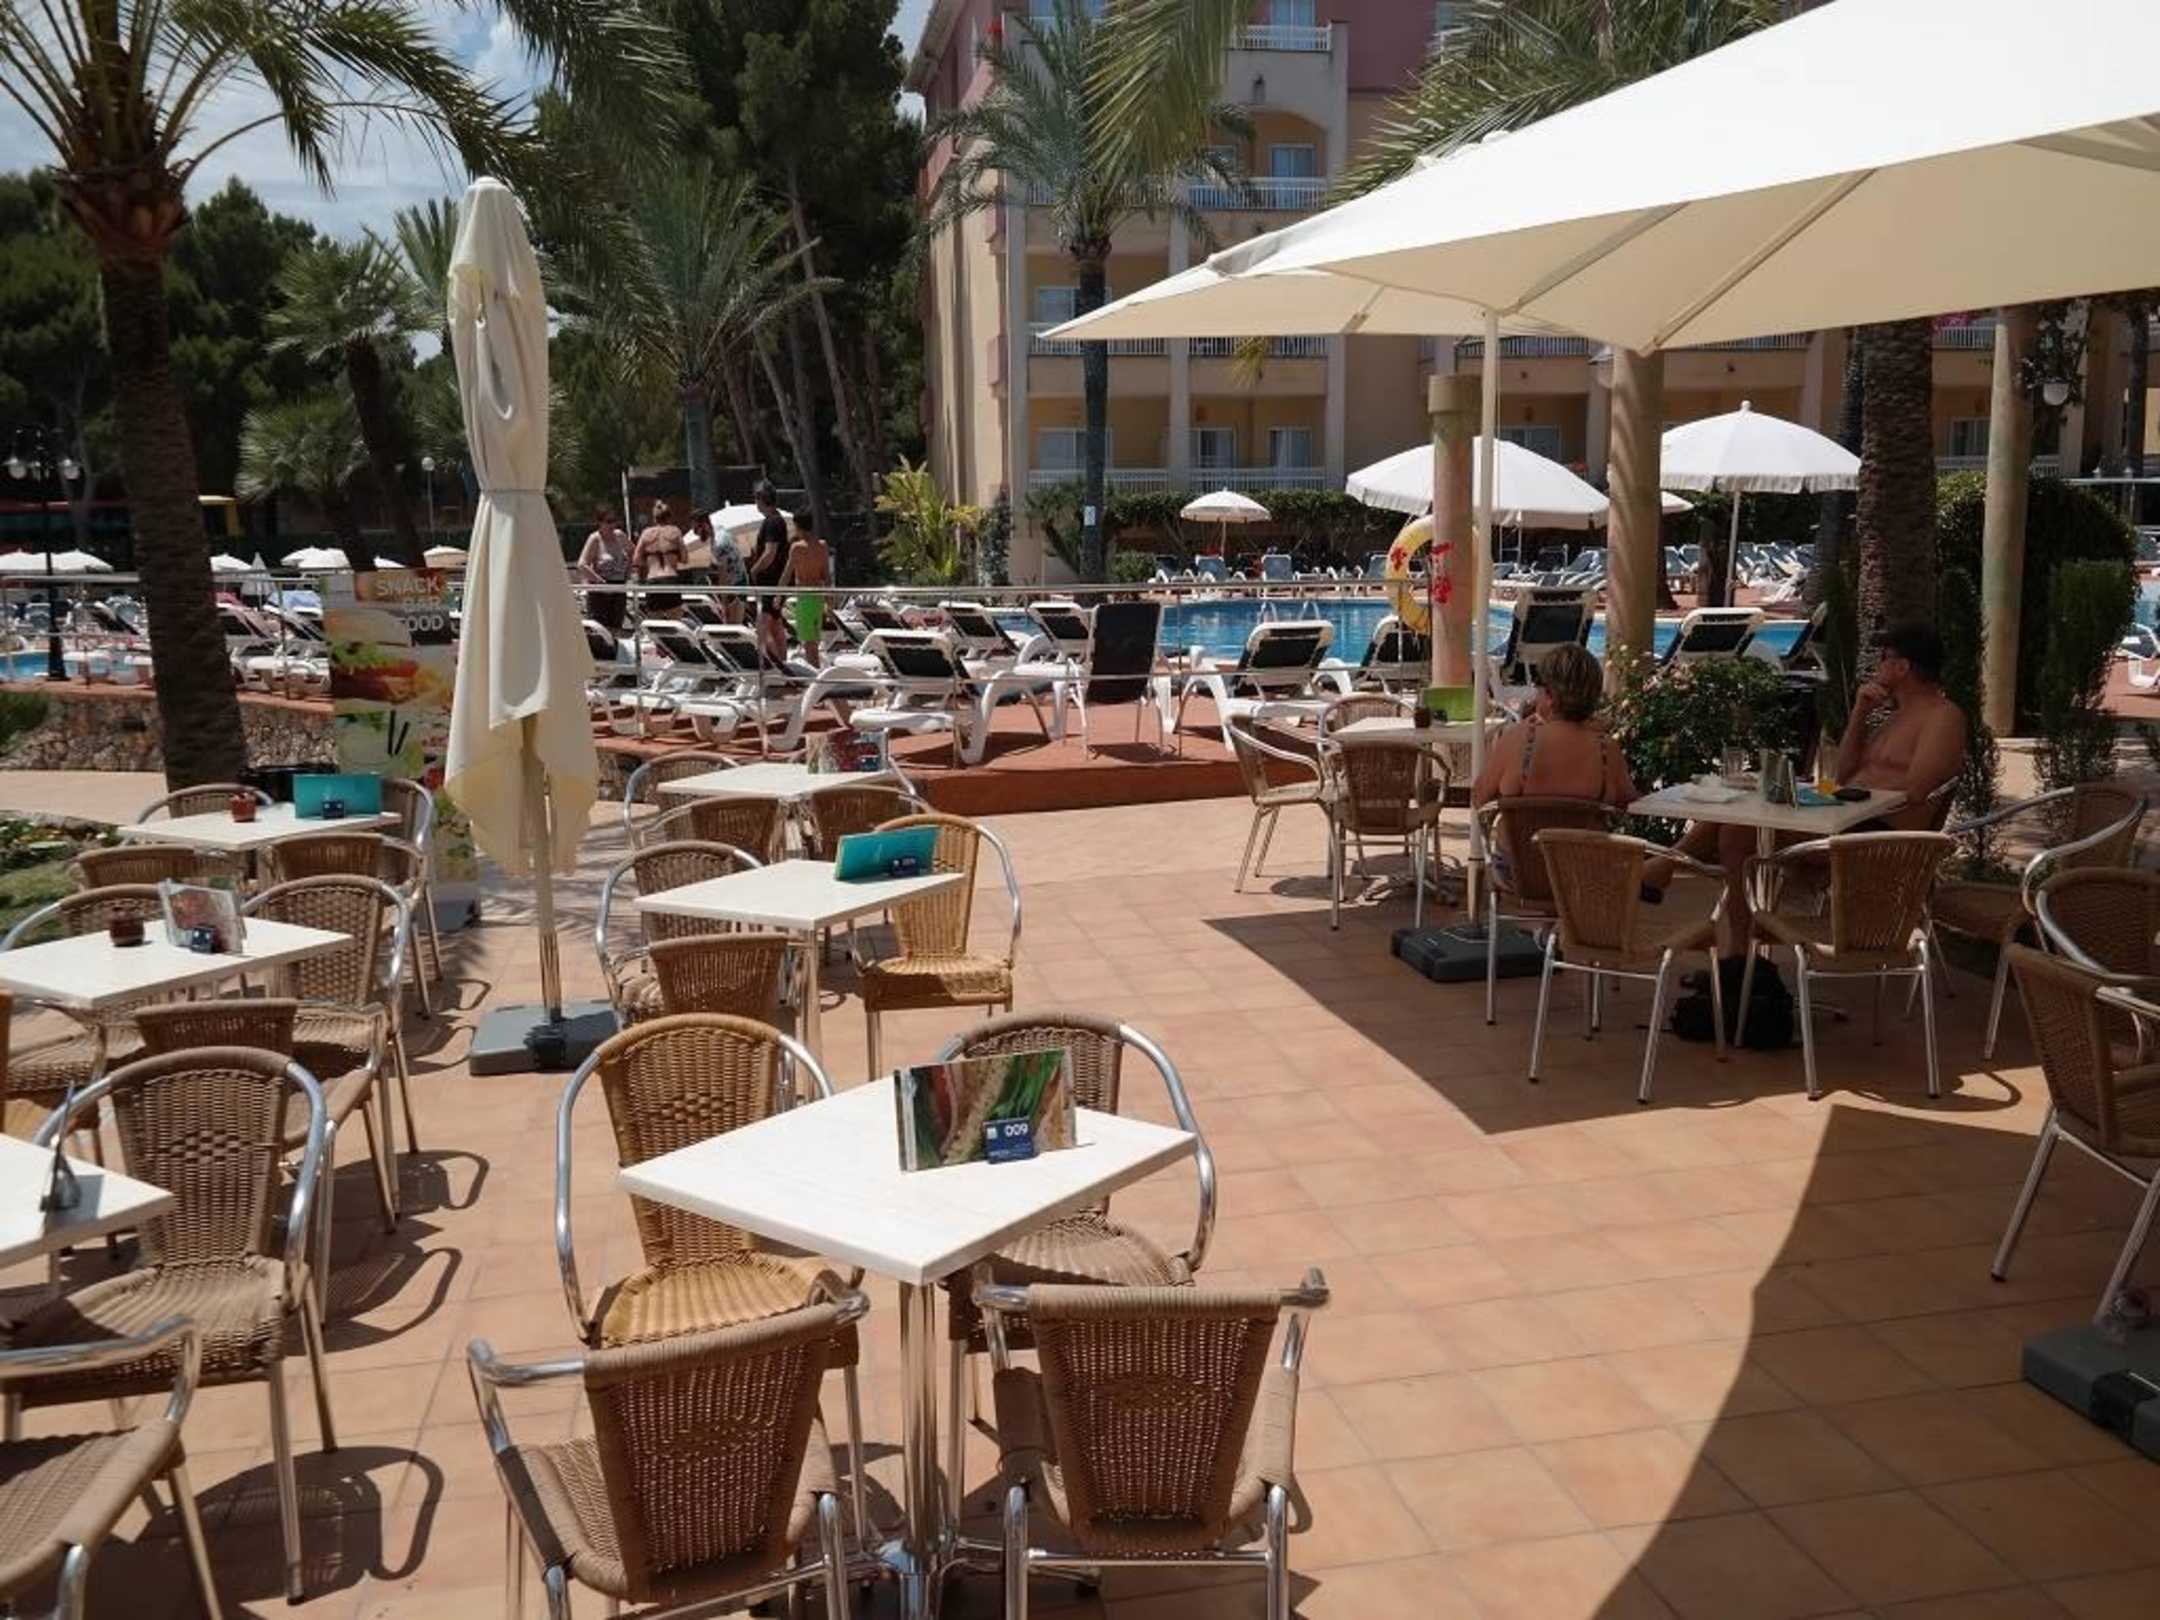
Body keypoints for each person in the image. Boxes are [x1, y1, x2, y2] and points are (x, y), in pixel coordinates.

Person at [1648, 619, 1967, 955]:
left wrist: (1845, 796)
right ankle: (1737, 955)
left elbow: (1916, 790)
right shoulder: (1896, 717)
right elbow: (1844, 775)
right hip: (1847, 822)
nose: (1877, 667)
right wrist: (1859, 713)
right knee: (1737, 823)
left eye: (1883, 658)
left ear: (1902, 667)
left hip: (1878, 842)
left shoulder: (1943, 717)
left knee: (1738, 832)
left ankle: (1679, 884)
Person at [1473, 642, 1638, 810]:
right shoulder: (1606, 750)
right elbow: (1630, 804)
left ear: (1550, 695)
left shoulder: (1517, 741)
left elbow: (1479, 797)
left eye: (1538, 683)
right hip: (1584, 828)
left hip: (1525, 828)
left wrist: (1523, 726)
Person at [778, 514, 834, 667]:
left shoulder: (797, 548)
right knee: (813, 642)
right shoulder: (822, 546)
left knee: (809, 643)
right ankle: (815, 670)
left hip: (804, 597)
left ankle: (814, 674)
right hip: (818, 597)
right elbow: (826, 577)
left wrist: (778, 595)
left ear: (798, 527)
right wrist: (830, 603)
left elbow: (787, 574)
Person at [747, 480, 790, 662]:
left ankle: (770, 664)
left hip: (770, 583)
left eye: (756, 498)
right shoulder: (776, 520)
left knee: (762, 629)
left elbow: (770, 553)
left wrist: (754, 570)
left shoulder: (772, 522)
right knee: (775, 626)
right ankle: (782, 663)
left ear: (761, 499)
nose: (755, 503)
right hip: (775, 582)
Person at [576, 506, 633, 632]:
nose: (613, 525)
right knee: (600, 631)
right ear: (600, 523)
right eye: (608, 521)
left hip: (619, 588)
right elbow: (582, 564)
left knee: (617, 629)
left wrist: (628, 573)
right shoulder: (595, 539)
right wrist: (600, 581)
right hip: (601, 590)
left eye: (614, 521)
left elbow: (632, 552)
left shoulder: (620, 536)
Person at [632, 498, 686, 620]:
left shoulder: (646, 533)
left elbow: (636, 560)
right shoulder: (675, 531)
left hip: (653, 580)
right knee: (676, 623)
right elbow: (684, 558)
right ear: (669, 517)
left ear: (654, 518)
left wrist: (649, 562)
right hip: (670, 579)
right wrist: (673, 557)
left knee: (655, 624)